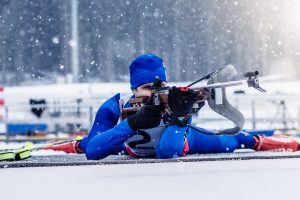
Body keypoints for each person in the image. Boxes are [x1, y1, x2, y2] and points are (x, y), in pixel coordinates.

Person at [45, 54, 300, 159]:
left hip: (183, 142)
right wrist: (133, 122)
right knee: (87, 143)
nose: (155, 92)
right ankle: (67, 145)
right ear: (133, 88)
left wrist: (180, 117)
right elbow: (94, 151)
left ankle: (276, 142)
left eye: (160, 85)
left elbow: (168, 153)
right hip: (131, 150)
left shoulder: (177, 97)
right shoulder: (116, 104)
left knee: (236, 142)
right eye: (147, 87)